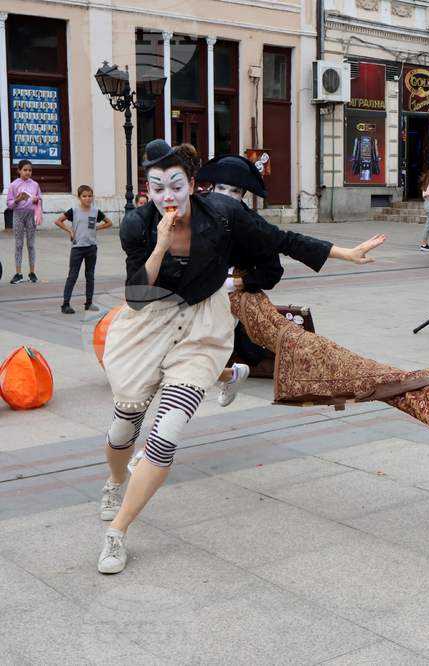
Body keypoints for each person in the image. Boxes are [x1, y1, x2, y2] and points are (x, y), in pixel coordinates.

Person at [96, 140, 385, 574]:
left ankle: (117, 532)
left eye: (175, 184)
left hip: (203, 327)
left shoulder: (223, 214)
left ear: (192, 184)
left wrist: (344, 253)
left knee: (166, 432)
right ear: (149, 191)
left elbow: (279, 239)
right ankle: (116, 481)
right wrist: (158, 245)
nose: (167, 196)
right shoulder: (136, 225)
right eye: (156, 188)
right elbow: (137, 297)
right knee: (125, 424)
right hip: (148, 324)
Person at [195, 152, 285, 406]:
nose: (225, 195)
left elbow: (271, 271)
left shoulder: (254, 225)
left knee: (195, 355)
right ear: (211, 187)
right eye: (220, 187)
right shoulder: (194, 213)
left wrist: (232, 283)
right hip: (192, 290)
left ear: (243, 195)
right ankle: (232, 374)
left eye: (234, 190)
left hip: (229, 295)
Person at [53, 185, 113, 314]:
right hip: (77, 248)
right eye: (84, 196)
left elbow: (109, 223)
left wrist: (96, 229)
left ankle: (89, 302)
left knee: (90, 275)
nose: (87, 199)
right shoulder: (74, 211)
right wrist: (70, 230)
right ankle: (66, 303)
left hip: (91, 247)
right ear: (79, 197)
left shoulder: (95, 212)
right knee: (73, 275)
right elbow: (58, 221)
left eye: (90, 196)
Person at [7, 159, 42, 284]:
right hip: (18, 214)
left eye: (30, 170)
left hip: (31, 215)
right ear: (19, 170)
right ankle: (18, 273)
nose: (27, 173)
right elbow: (9, 204)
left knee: (31, 244)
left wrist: (37, 200)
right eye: (25, 170)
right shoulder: (14, 185)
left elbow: (40, 199)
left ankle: (32, 272)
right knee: (19, 243)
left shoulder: (35, 185)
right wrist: (17, 200)